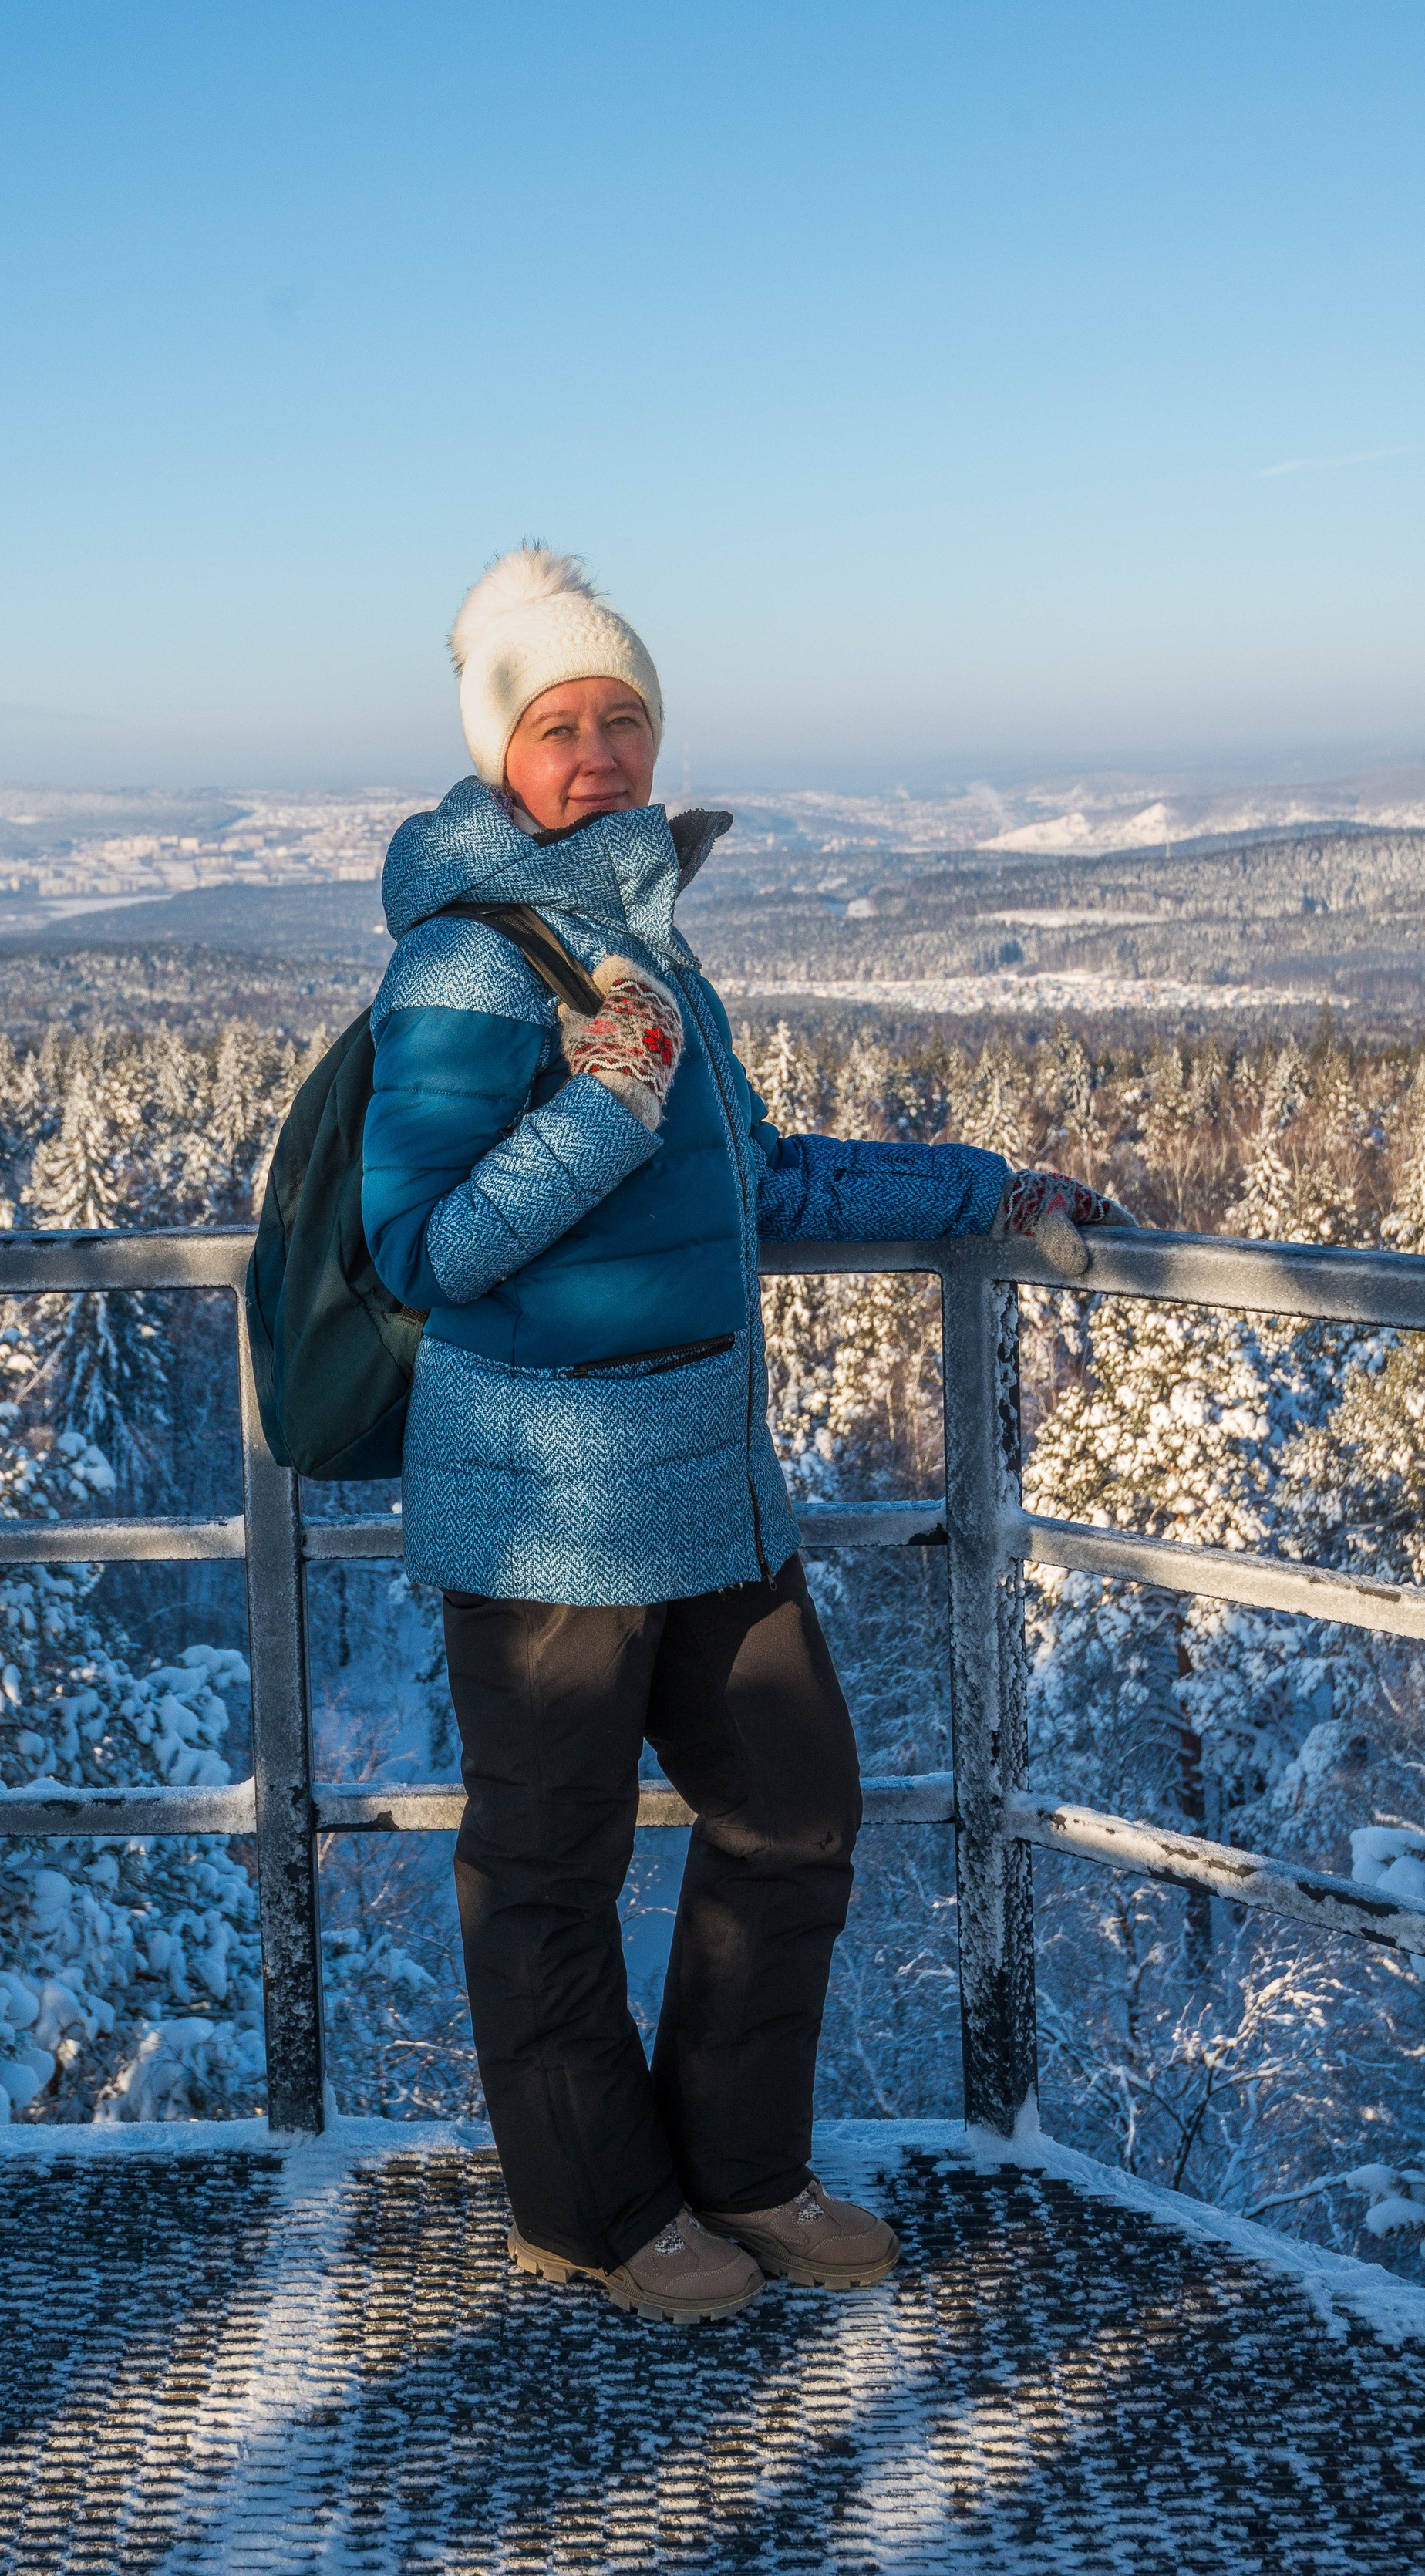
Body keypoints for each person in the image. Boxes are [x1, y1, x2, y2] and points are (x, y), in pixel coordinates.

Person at [359, 544, 1128, 2324]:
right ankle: (592, 2209)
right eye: (558, 725)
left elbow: (754, 1179)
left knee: (791, 1807)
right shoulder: (465, 966)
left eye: (622, 718)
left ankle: (737, 2166)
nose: (599, 753)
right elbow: (421, 1248)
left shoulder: (640, 946)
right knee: (547, 1868)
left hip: (707, 1474)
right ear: (496, 752)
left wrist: (977, 1190)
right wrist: (606, 1109)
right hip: (544, 1494)